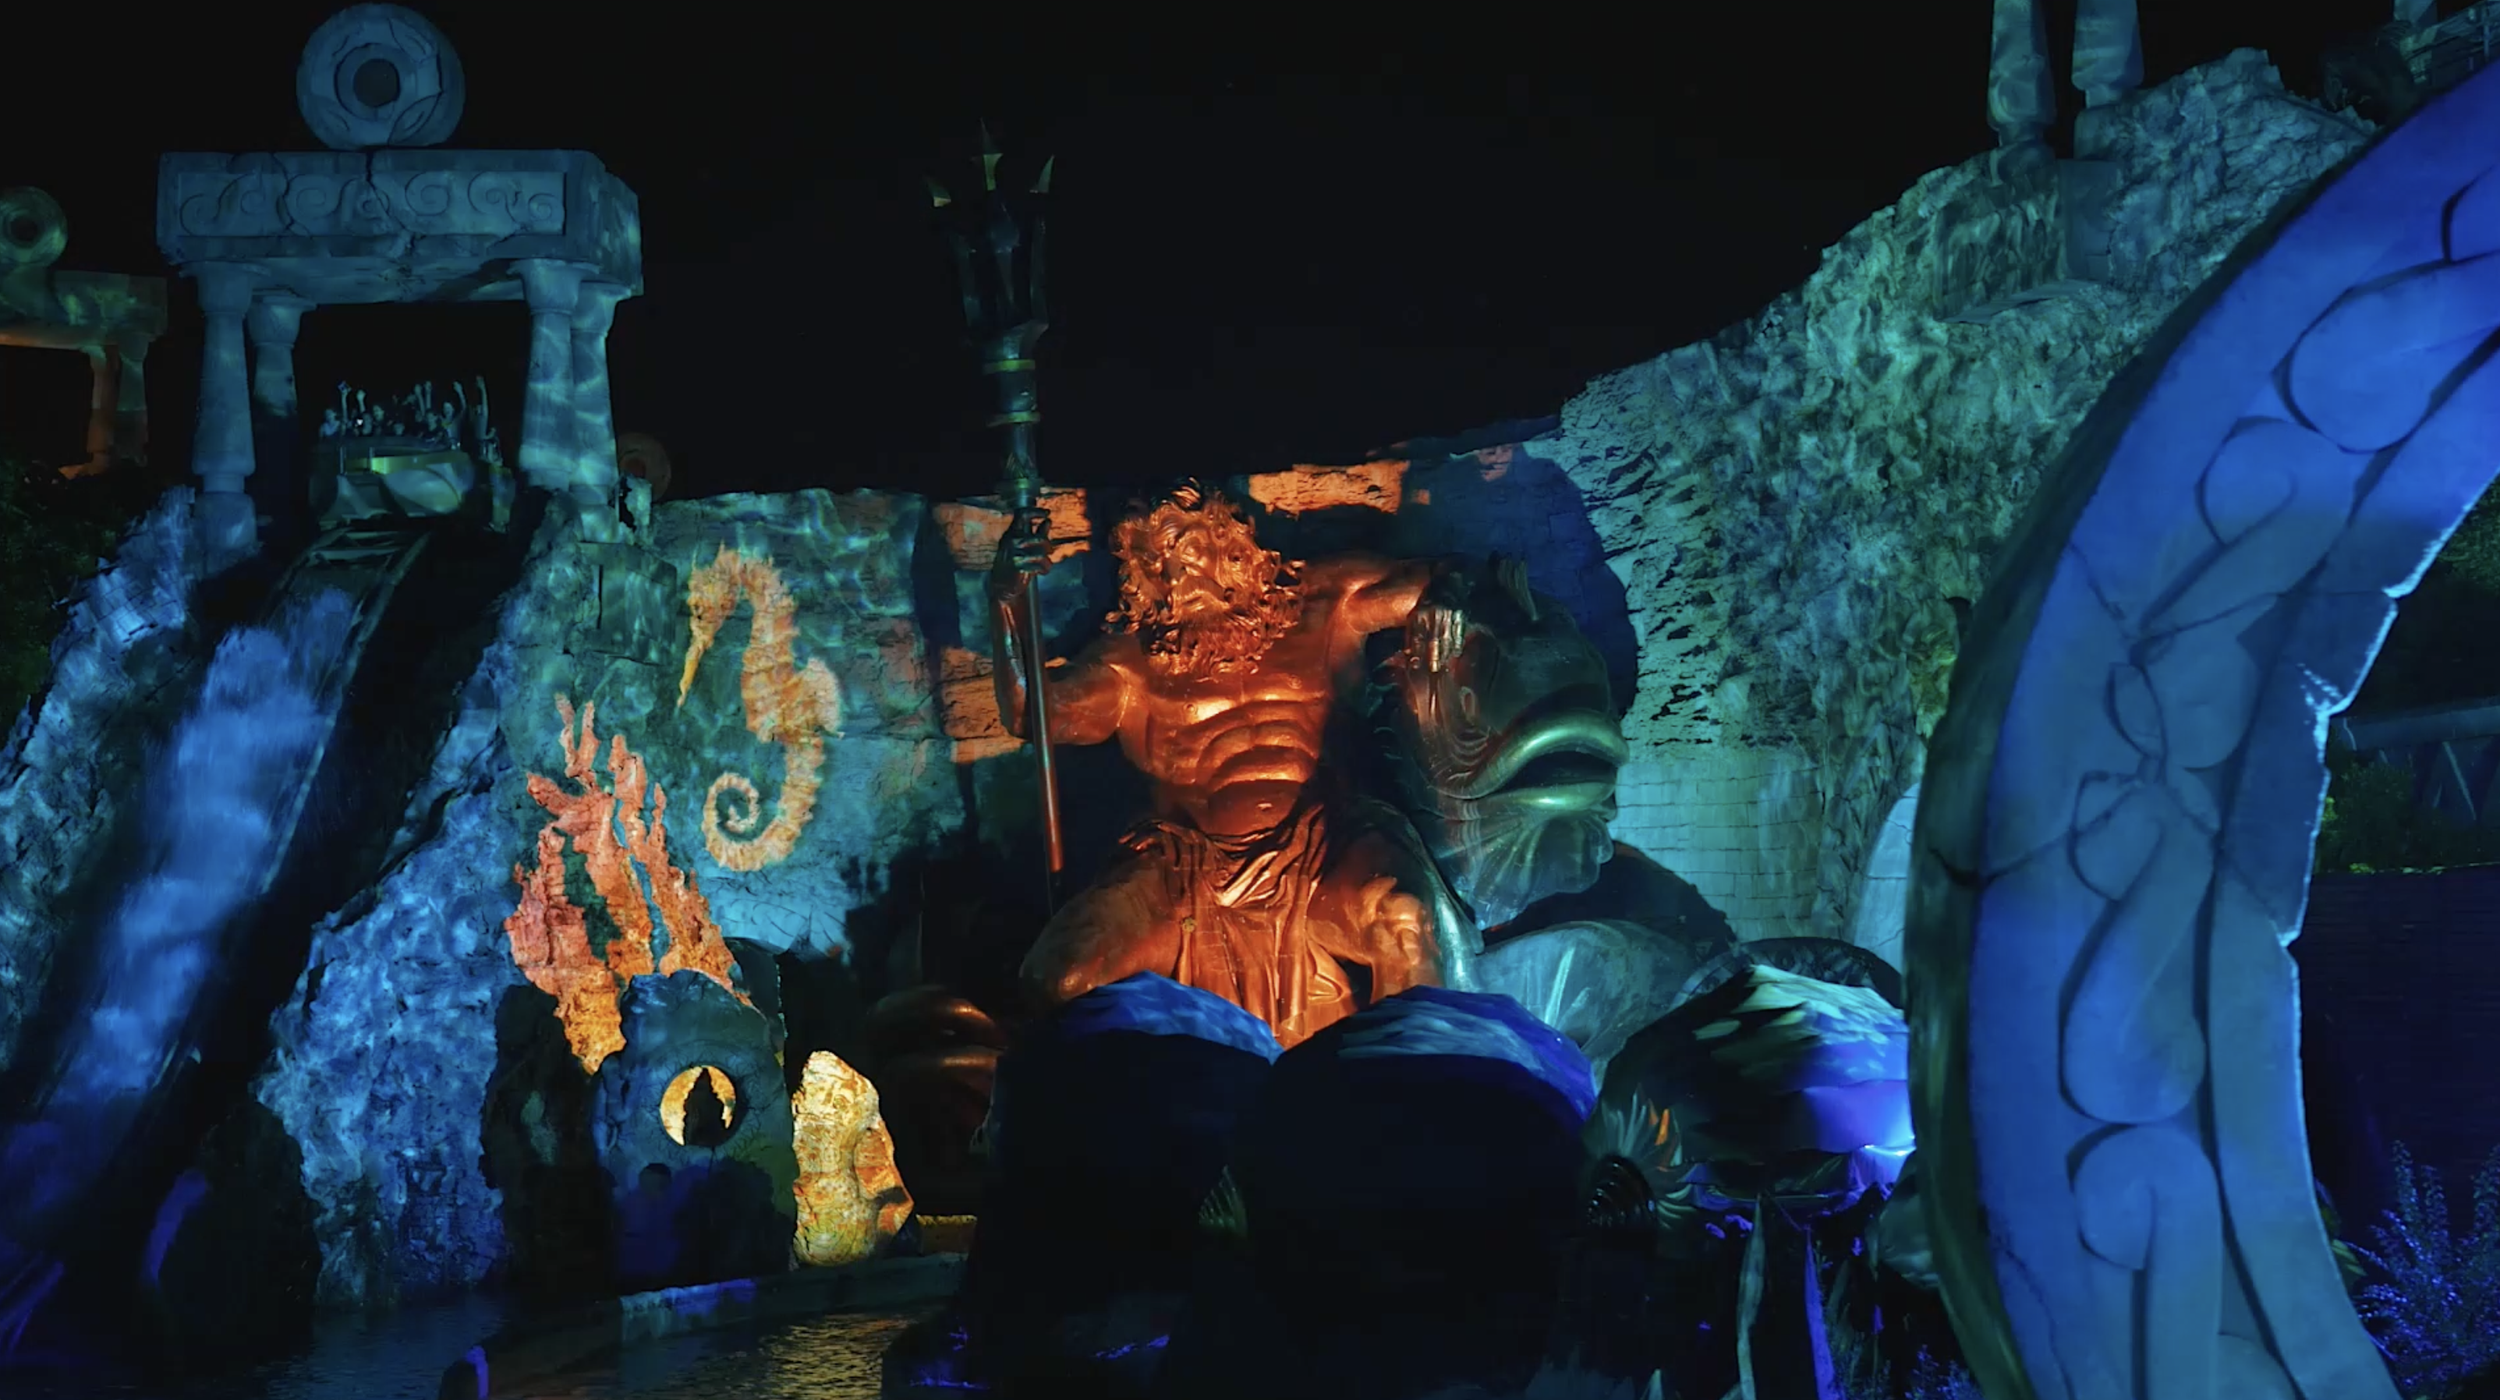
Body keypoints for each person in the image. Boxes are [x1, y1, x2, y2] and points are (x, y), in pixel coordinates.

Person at [988, 485, 1464, 1046]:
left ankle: (1418, 1085)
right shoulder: (1128, 665)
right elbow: (1032, 713)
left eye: (1185, 550)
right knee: (1064, 976)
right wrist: (1007, 600)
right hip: (1190, 866)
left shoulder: (1324, 601)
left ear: (1229, 543)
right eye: (1154, 563)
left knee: (1401, 917)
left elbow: (1434, 578)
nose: (1175, 574)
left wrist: (1446, 596)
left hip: (1325, 842)